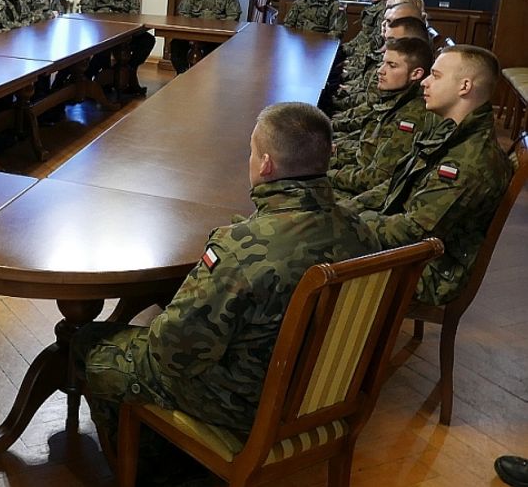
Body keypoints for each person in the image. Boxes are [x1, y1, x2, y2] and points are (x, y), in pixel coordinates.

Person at [72, 102, 378, 483]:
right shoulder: (360, 230)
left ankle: (150, 471)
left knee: (91, 345)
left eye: (250, 152)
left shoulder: (241, 248)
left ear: (265, 165)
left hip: (246, 404)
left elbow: (172, 353)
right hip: (324, 393)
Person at [344, 45, 513, 306]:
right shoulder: (450, 130)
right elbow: (397, 184)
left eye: (435, 75)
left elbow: (416, 230)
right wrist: (347, 209)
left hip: (429, 270)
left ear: (464, 86)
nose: (424, 82)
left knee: (311, 250)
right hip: (411, 246)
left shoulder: (470, 161)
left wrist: (346, 223)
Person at [328, 37, 435, 198]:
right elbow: (367, 151)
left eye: (392, 65)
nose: (380, 70)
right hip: (356, 177)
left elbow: (376, 178)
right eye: (384, 62)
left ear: (416, 74)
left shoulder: (411, 116)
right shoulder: (397, 99)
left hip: (362, 195)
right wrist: (334, 152)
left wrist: (327, 171)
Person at [79, 0, 157, 93]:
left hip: (125, 30)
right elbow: (86, 8)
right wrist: (99, 24)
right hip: (102, 31)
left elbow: (134, 9)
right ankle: (96, 81)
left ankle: (127, 71)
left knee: (148, 40)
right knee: (102, 51)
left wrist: (129, 26)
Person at [172, 0, 241, 72]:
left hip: (216, 36)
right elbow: (184, 12)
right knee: (176, 45)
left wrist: (217, 31)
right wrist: (191, 32)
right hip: (192, 32)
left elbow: (233, 16)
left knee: (215, 56)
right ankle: (182, 76)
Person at [338, 0, 397, 78]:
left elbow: (376, 43)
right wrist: (345, 48)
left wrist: (352, 56)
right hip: (357, 50)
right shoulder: (374, 7)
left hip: (365, 56)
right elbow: (362, 36)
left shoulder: (385, 12)